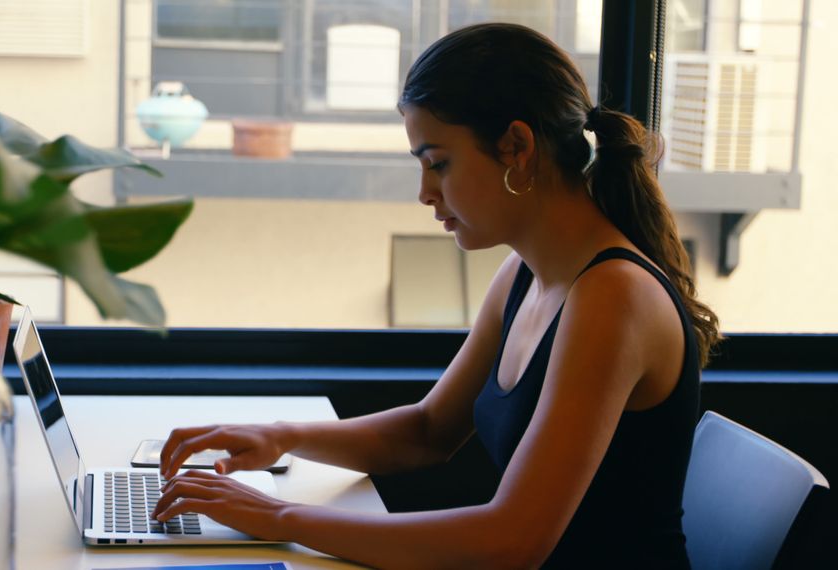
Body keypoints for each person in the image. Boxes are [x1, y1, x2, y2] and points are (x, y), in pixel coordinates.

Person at [151, 22, 720, 568]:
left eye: (439, 164)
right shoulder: (523, 275)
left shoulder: (614, 296)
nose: (425, 192)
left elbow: (510, 543)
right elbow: (428, 432)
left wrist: (282, 518)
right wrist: (281, 438)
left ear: (516, 147)